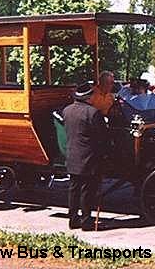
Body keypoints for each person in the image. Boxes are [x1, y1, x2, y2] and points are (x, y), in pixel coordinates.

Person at [63, 83, 108, 231]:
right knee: (86, 190)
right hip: (88, 157)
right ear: (89, 97)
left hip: (72, 154)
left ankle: (73, 219)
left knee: (73, 189)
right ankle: (86, 221)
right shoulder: (93, 113)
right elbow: (102, 137)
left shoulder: (67, 111)